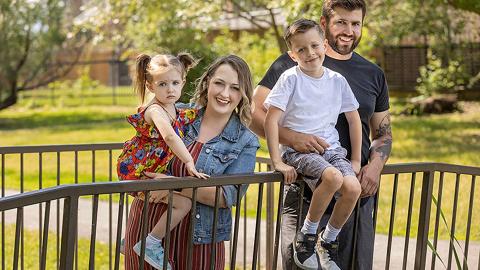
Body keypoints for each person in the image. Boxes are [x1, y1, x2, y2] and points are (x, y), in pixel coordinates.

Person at [250, 0, 393, 269]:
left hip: (354, 198)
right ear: (325, 24)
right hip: (304, 191)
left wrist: (374, 167)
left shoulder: (373, 73)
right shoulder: (291, 65)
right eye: (341, 22)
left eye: (355, 23)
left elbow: (383, 132)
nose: (348, 30)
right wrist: (291, 138)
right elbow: (253, 112)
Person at [124, 54, 260, 270]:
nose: (225, 94)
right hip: (147, 228)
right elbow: (145, 135)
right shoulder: (178, 114)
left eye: (235, 87)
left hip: (199, 241)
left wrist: (172, 183)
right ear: (207, 83)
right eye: (219, 83)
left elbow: (227, 196)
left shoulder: (246, 141)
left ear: (243, 94)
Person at [263, 18, 361, 270]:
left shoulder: (336, 80)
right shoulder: (289, 78)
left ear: (325, 45)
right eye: (301, 49)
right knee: (333, 178)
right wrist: (276, 161)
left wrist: (357, 159)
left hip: (332, 149)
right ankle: (305, 238)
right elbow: (270, 120)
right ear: (292, 54)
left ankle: (326, 242)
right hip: (298, 151)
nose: (310, 53)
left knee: (352, 187)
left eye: (315, 46)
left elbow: (354, 120)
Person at [117, 52, 209, 269]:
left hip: (150, 168)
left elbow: (195, 112)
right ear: (150, 86)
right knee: (183, 203)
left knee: (177, 196)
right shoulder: (156, 110)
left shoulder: (175, 107)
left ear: (183, 82)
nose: (170, 89)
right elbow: (169, 136)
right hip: (138, 169)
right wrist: (188, 161)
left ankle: (128, 242)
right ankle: (150, 243)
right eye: (163, 84)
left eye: (175, 83)